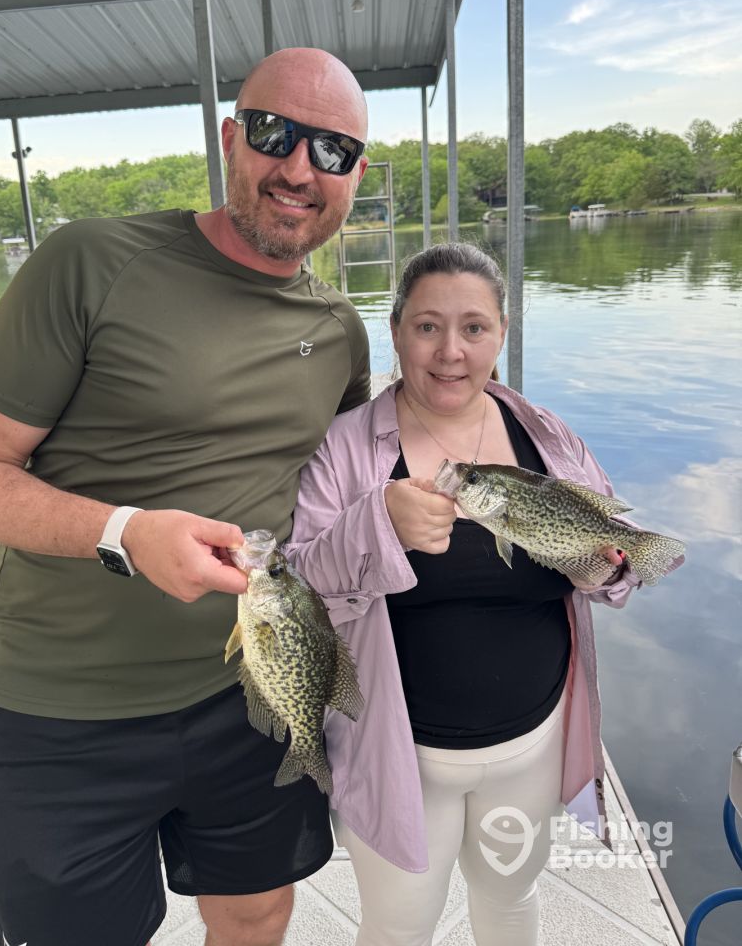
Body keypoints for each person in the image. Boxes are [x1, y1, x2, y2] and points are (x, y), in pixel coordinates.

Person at [0, 47, 371, 946]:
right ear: (230, 139)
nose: (299, 168)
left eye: (332, 150)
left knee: (257, 913)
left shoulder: (340, 332)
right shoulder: (91, 261)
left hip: (253, 693)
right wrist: (125, 532)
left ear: (356, 175)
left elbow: (354, 485)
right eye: (275, 133)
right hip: (60, 712)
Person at [284, 242, 684, 946]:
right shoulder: (346, 448)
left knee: (510, 900)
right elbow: (297, 590)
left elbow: (614, 562)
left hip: (532, 743)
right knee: (398, 927)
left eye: (474, 327)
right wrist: (377, 523)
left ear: (502, 333)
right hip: (400, 753)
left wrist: (605, 569)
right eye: (427, 326)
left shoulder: (545, 436)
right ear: (396, 331)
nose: (450, 352)